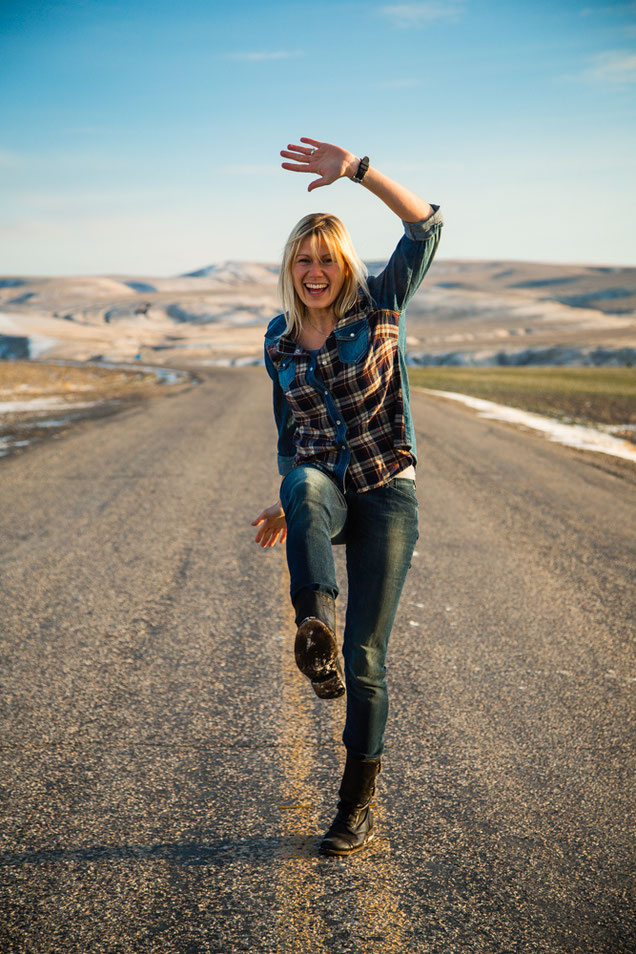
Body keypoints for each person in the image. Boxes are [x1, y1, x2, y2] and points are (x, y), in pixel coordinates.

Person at [252, 137, 443, 857]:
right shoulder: (277, 341)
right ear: (289, 270)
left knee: (367, 658)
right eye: (303, 260)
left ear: (343, 266)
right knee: (301, 480)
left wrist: (357, 171)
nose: (314, 271)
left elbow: (427, 227)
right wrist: (293, 503)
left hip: (388, 492)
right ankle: (314, 633)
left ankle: (355, 804)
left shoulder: (381, 303)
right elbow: (290, 437)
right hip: (328, 486)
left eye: (325, 259)